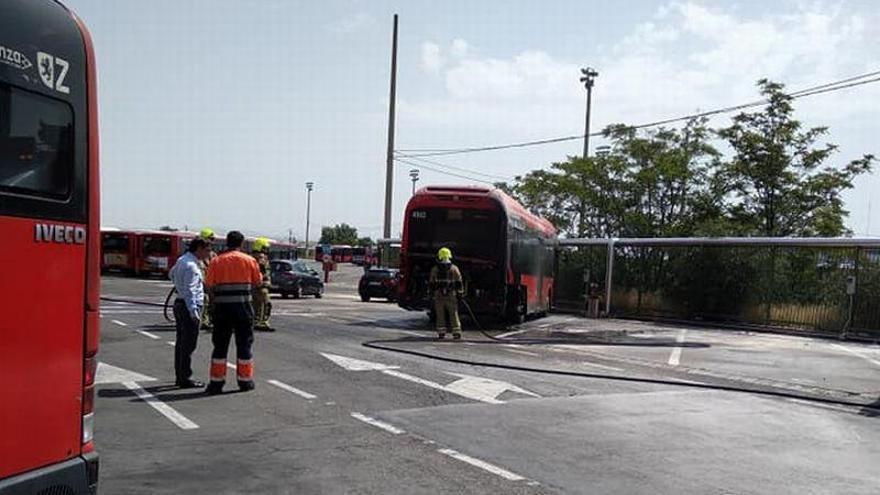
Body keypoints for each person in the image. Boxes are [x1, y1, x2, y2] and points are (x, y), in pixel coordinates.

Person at [204, 231, 263, 394]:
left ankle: (216, 382)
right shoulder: (250, 260)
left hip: (222, 309)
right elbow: (258, 283)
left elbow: (208, 285)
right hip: (243, 309)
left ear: (226, 243)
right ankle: (245, 381)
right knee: (244, 345)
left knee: (220, 346)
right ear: (241, 244)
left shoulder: (216, 261)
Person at [168, 238, 211, 388]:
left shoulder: (182, 260)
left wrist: (178, 285)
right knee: (188, 345)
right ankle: (185, 378)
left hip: (179, 303)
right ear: (199, 248)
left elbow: (171, 274)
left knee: (181, 343)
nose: (208, 253)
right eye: (207, 250)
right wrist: (194, 313)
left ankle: (180, 375)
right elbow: (191, 291)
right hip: (188, 306)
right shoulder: (192, 266)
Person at [429, 247, 464, 340]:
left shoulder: (435, 269)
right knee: (453, 313)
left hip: (439, 295)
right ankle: (456, 332)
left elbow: (432, 282)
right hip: (451, 295)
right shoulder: (454, 268)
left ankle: (441, 333)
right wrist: (460, 293)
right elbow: (459, 282)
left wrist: (431, 293)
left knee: (440, 314)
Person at [251, 237, 273, 331]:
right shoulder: (260, 258)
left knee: (256, 304)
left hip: (255, 285)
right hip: (260, 286)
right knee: (264, 303)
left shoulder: (252, 257)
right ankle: (261, 322)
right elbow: (262, 273)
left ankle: (257, 321)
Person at [197, 228, 217, 332]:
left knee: (214, 301)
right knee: (205, 299)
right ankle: (203, 320)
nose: (212, 242)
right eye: (210, 239)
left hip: (211, 283)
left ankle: (211, 319)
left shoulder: (213, 255)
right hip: (201, 284)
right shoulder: (197, 254)